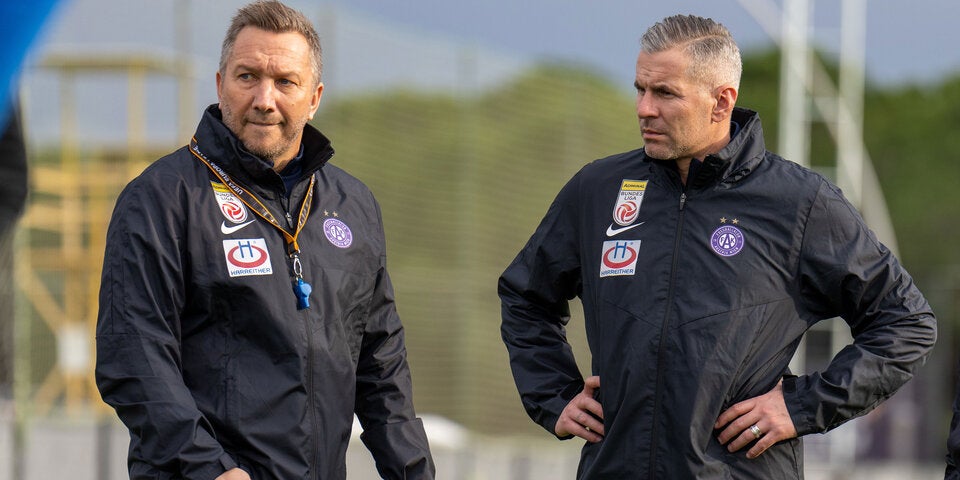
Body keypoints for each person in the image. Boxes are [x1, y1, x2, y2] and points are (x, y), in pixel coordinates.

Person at [499, 14, 936, 479]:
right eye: (640, 89)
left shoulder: (800, 202)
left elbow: (905, 324)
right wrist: (555, 395)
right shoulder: (599, 188)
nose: (644, 109)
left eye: (665, 93)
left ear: (721, 101)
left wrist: (802, 406)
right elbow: (526, 296)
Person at [95, 2, 435, 479]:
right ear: (219, 84)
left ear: (314, 97)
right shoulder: (161, 198)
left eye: (285, 82)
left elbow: (381, 365)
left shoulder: (353, 205)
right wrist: (211, 469)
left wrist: (414, 472)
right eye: (247, 76)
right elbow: (132, 356)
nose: (264, 99)